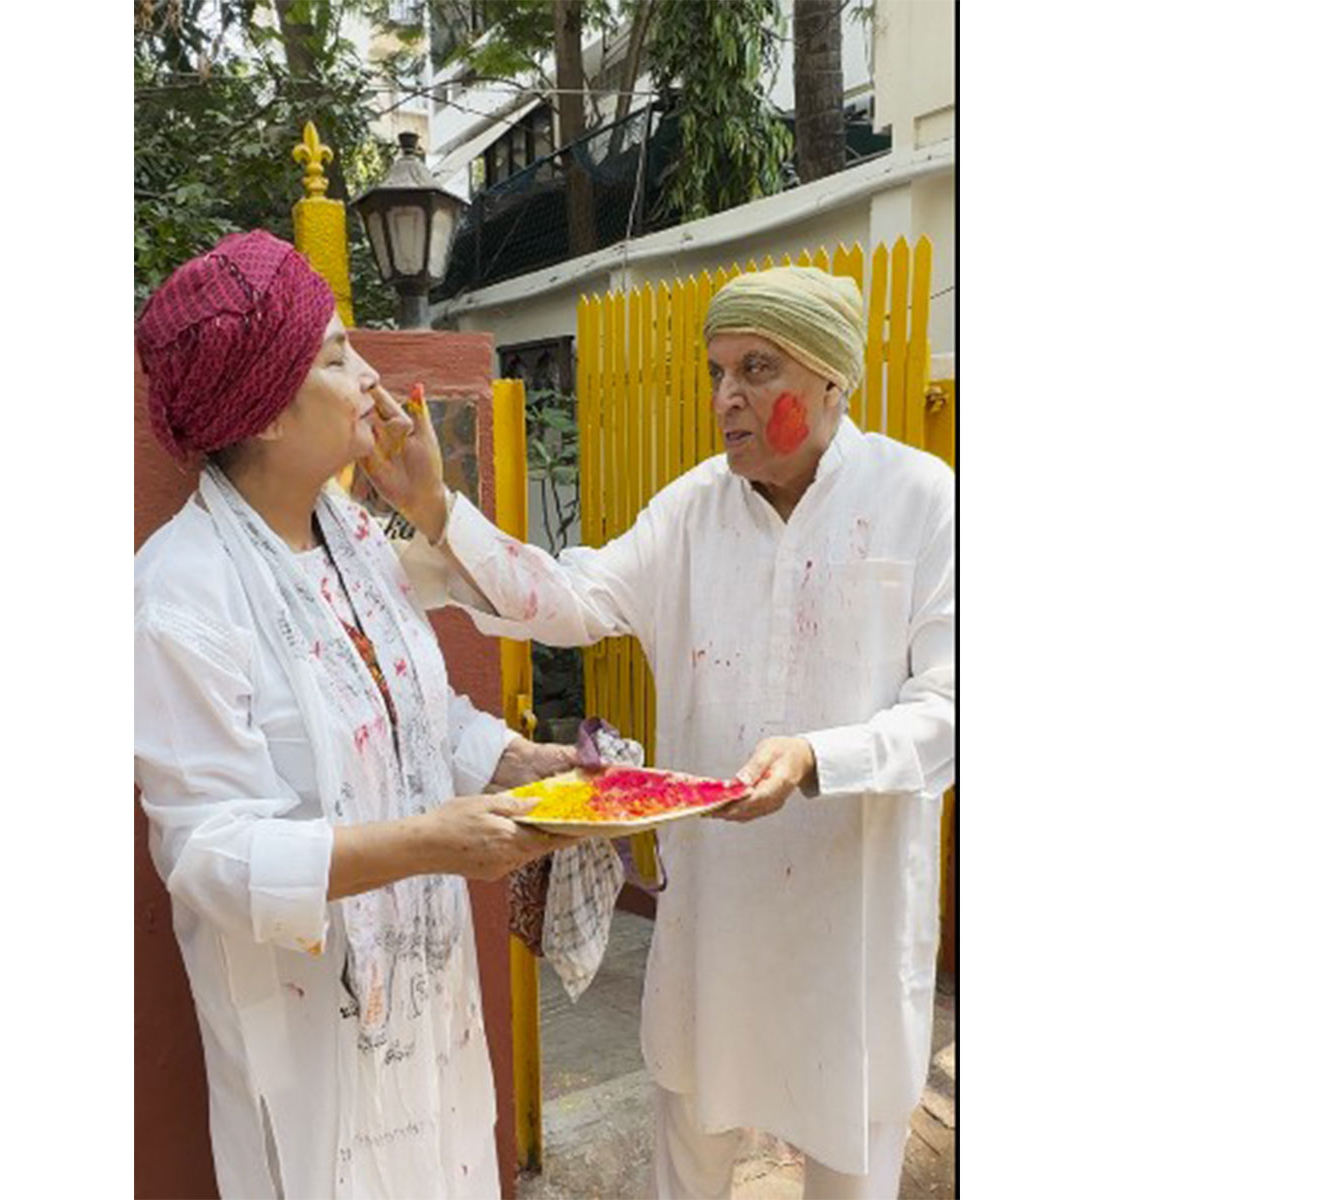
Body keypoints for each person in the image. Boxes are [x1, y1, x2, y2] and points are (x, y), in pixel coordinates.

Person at [377, 265, 955, 1199]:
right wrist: (439, 512)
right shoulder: (693, 509)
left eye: (757, 370)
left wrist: (818, 756)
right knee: (690, 1136)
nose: (727, 398)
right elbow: (572, 597)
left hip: (852, 909)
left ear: (831, 381)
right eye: (718, 372)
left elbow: (953, 709)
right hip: (716, 913)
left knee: (852, 1152)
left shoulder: (922, 499)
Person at [133, 230, 576, 1199]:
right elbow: (208, 853)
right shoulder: (183, 591)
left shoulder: (354, 542)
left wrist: (511, 761)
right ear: (263, 413)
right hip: (306, 1023)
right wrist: (426, 842)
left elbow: (409, 714)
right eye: (335, 355)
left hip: (420, 992)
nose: (370, 374)